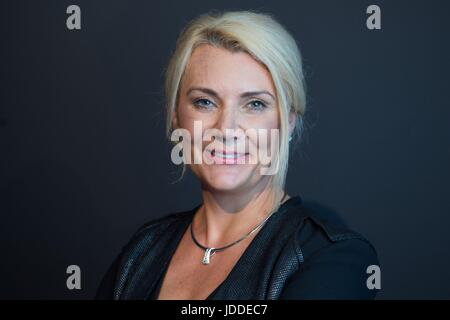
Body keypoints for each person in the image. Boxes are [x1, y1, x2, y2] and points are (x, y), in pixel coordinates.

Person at [96, 10, 379, 300]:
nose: (226, 128)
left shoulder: (333, 258)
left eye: (255, 104)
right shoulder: (142, 250)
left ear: (289, 121)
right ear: (175, 118)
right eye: (204, 102)